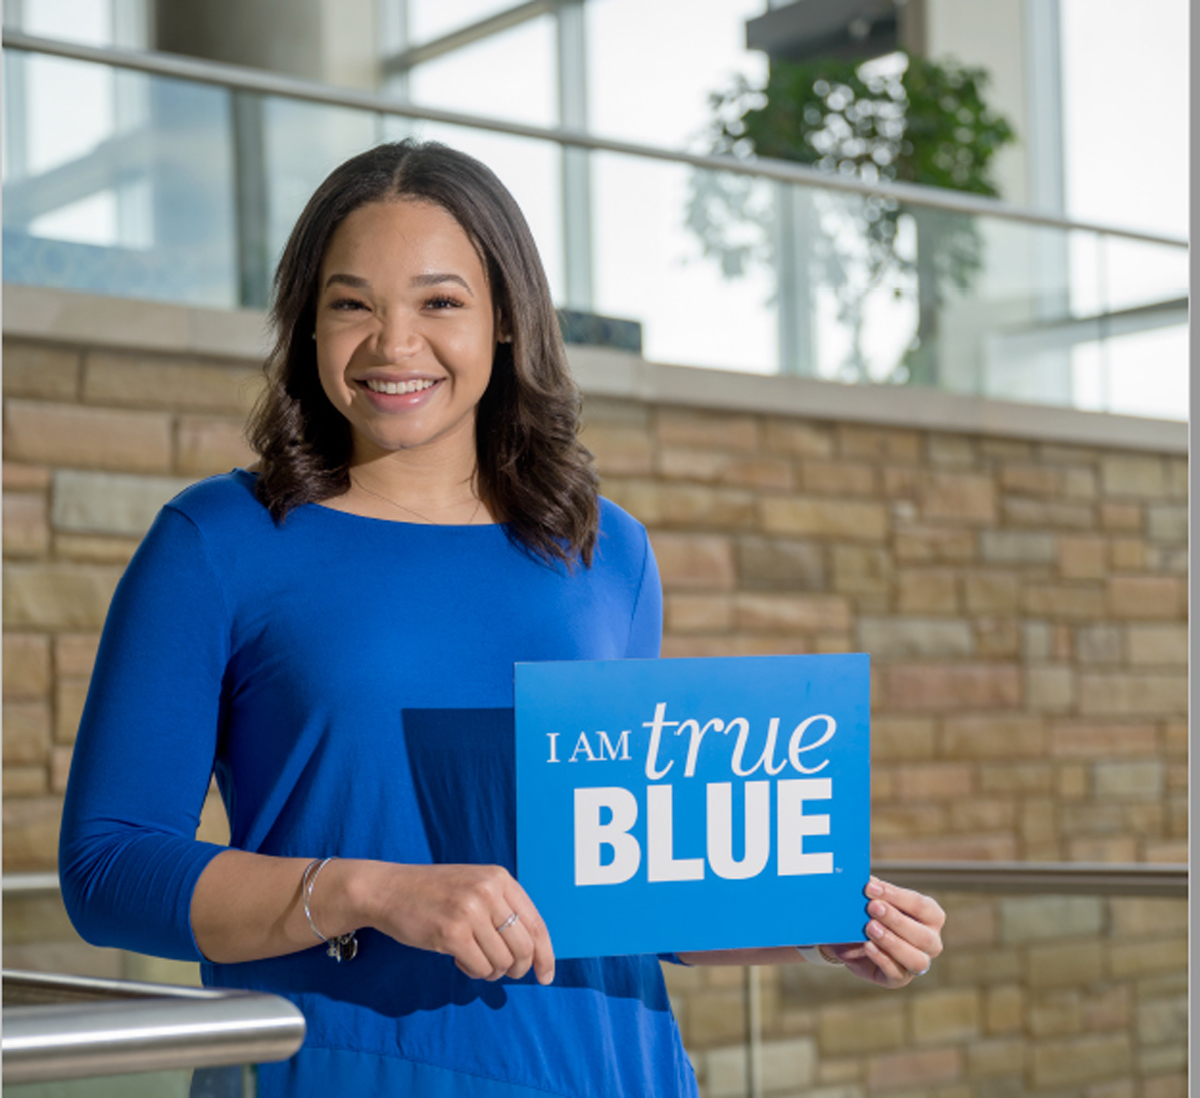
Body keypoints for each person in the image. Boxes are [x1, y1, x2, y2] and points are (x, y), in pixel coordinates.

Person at [60, 140, 945, 1098]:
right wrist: (369, 890)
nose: (395, 345)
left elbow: (623, 883)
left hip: (615, 1068)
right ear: (306, 326)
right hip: (348, 1068)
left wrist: (810, 919)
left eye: (440, 303)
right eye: (352, 304)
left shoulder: (609, 553)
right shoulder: (217, 542)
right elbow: (109, 869)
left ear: (508, 323)